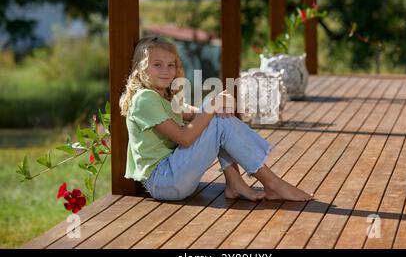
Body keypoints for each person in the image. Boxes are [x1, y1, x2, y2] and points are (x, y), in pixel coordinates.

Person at [119, 36, 314, 202]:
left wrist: (217, 105)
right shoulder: (145, 99)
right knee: (214, 117)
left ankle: (235, 183)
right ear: (141, 68)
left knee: (216, 119)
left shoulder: (163, 96)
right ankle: (272, 183)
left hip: (174, 176)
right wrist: (212, 105)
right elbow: (184, 138)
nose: (166, 70)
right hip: (164, 180)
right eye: (157, 65)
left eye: (171, 65)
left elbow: (193, 114)